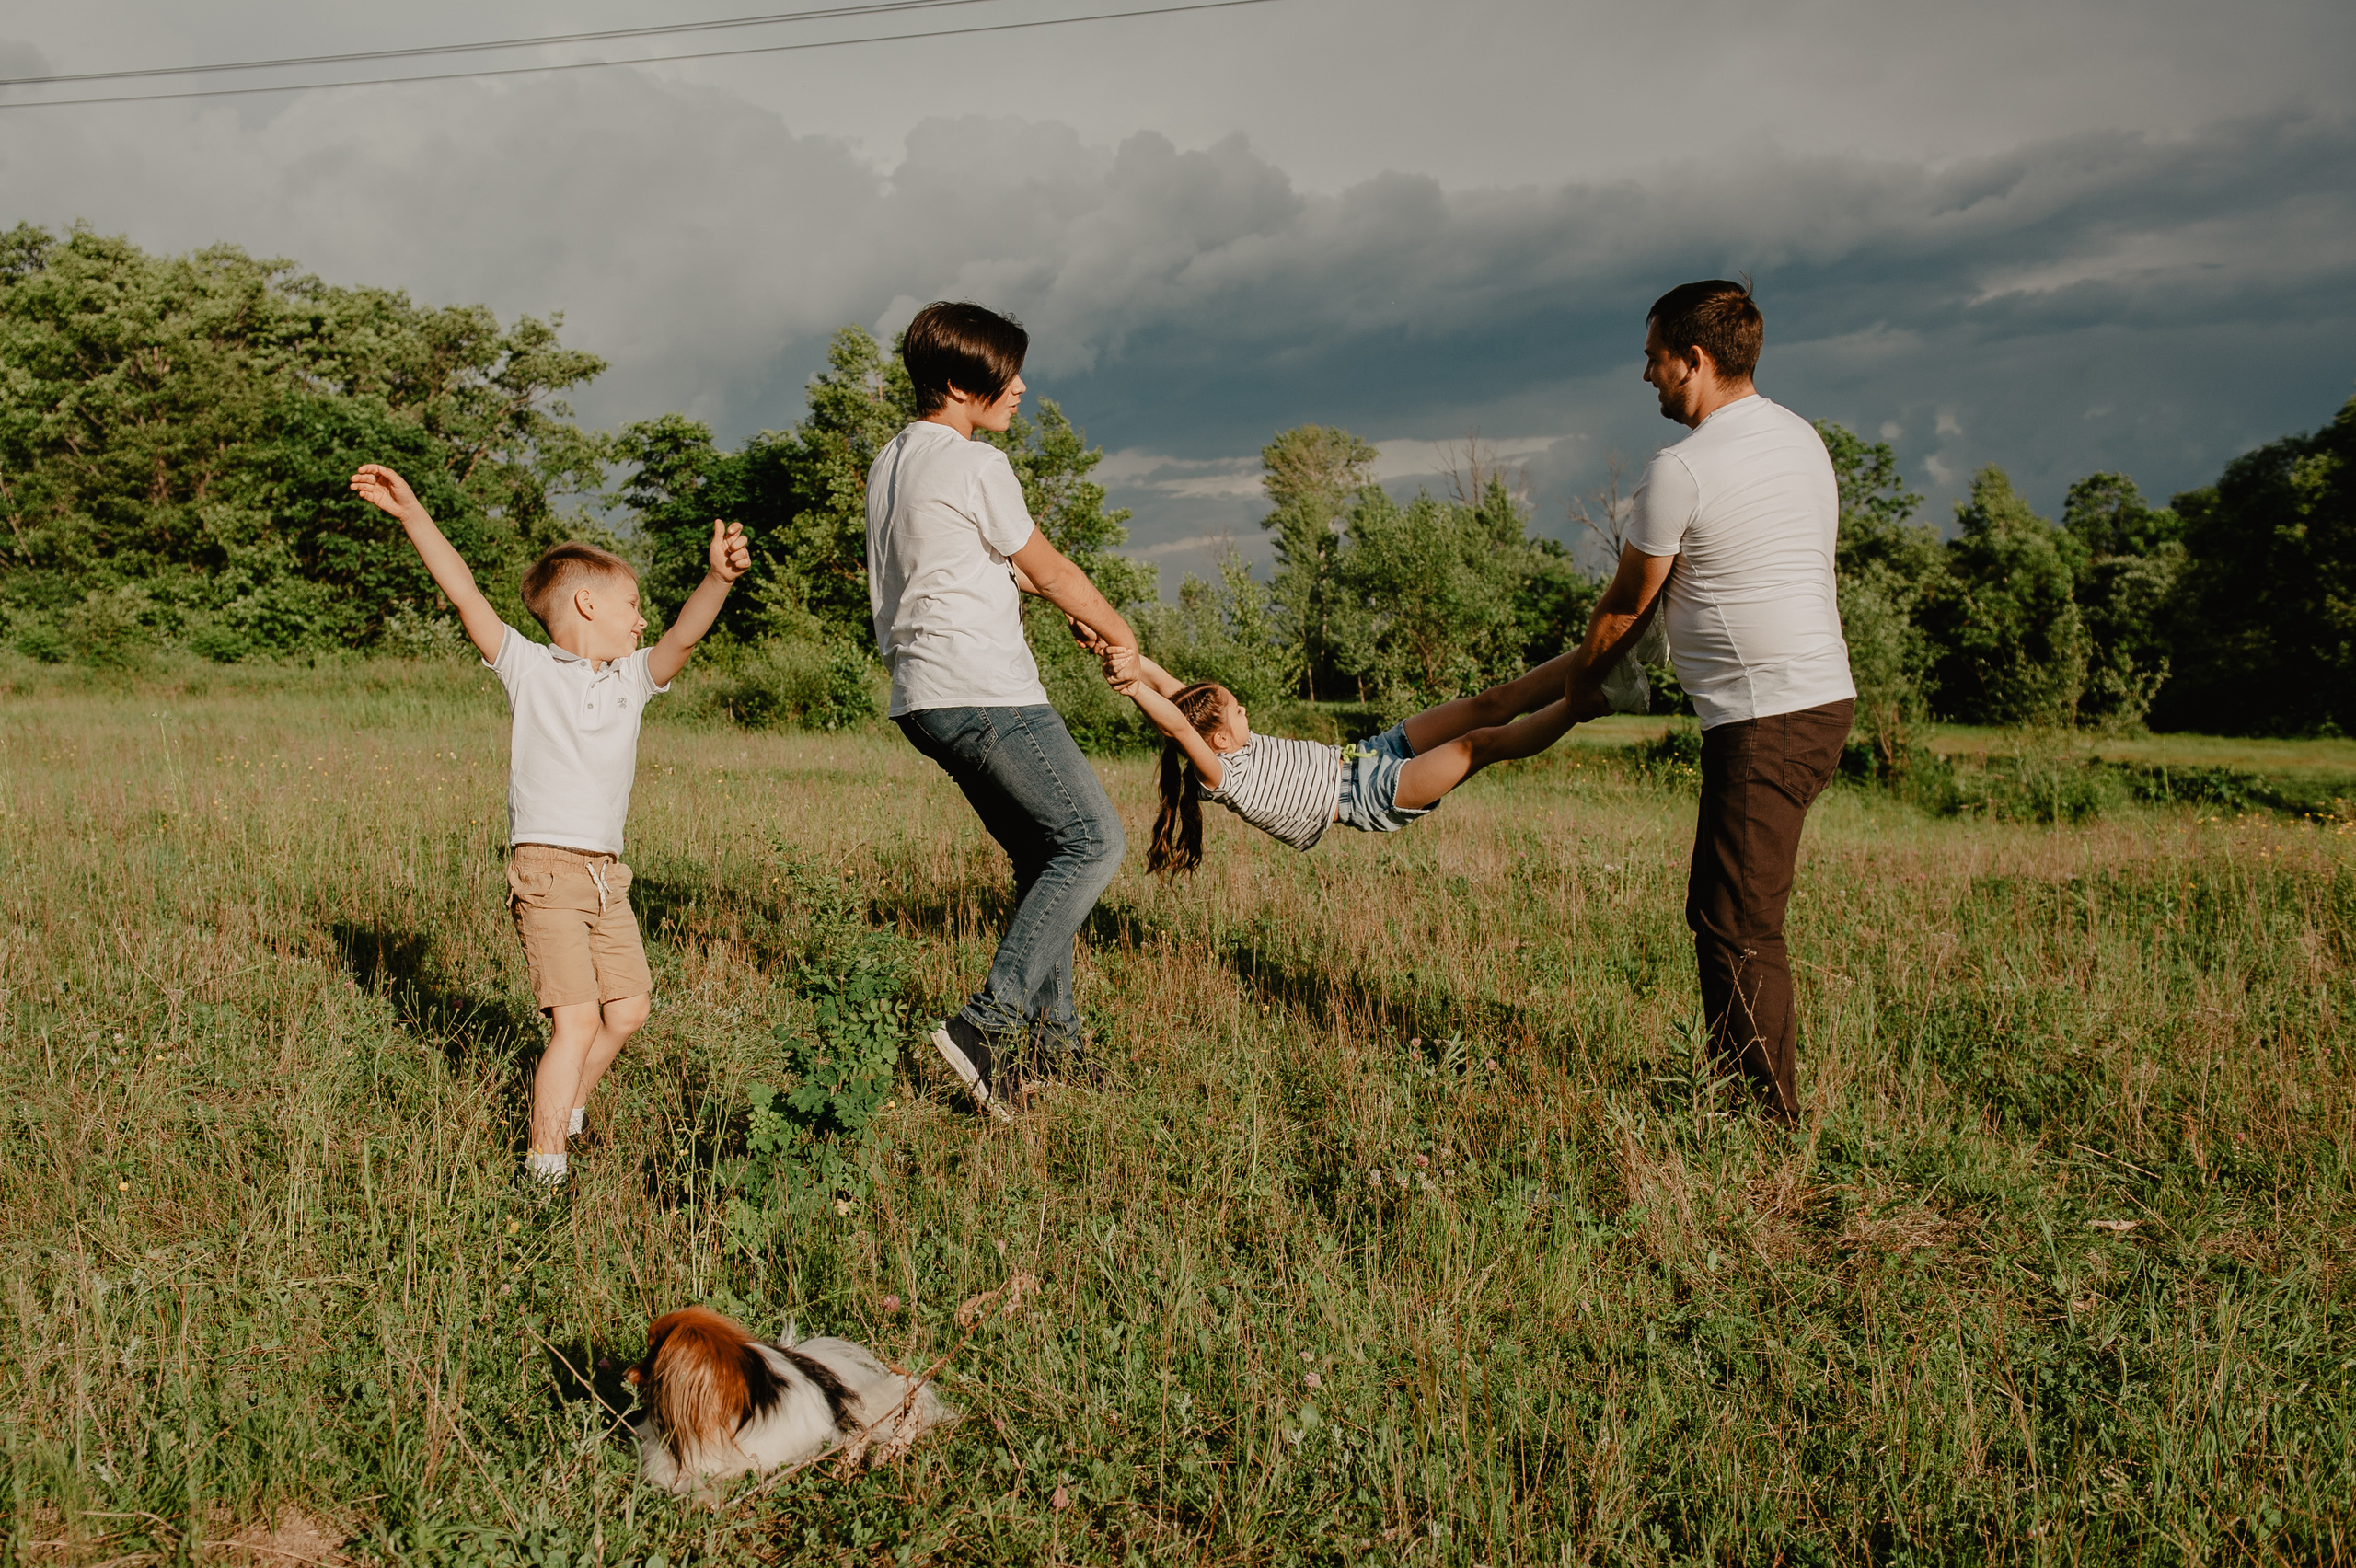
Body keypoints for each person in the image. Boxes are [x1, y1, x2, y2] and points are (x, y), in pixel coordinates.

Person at [349, 463, 752, 1182]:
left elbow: (685, 639)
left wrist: (718, 582)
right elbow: (463, 590)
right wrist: (412, 514)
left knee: (627, 1011)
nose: (642, 619)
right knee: (576, 1024)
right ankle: (543, 1169)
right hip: (546, 872)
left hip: (607, 877)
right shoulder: (528, 669)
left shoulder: (633, 681)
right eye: (633, 605)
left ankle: (565, 1106)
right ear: (587, 604)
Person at [1567, 280, 1855, 1123]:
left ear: (1693, 360)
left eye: (1654, 356)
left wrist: (1583, 689)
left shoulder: (1683, 467)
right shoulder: (1801, 437)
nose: (1645, 374)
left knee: (1734, 922)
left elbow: (1627, 605)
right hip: (1822, 700)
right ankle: (1748, 1099)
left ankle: (1763, 1120)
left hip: (1767, 716)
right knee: (1732, 909)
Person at [865, 302, 1137, 1122]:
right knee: (1094, 841)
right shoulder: (976, 465)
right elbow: (1049, 569)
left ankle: (1056, 1049)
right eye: (1004, 377)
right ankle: (985, 1026)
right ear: (957, 385)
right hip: (982, 687)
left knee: (1043, 855)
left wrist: (1007, 582)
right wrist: (1119, 629)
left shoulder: (893, 461)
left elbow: (953, 563)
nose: (1020, 389)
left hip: (923, 697)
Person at [1104, 646, 1611, 874]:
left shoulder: (1218, 732)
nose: (1244, 709)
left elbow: (1178, 696)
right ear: (1215, 741)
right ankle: (1588, 699)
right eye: (1236, 709)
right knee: (1479, 743)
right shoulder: (1222, 774)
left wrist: (1125, 654)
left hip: (1371, 751)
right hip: (1367, 794)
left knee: (1492, 702)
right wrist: (1130, 688)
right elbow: (1174, 721)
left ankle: (1609, 651)